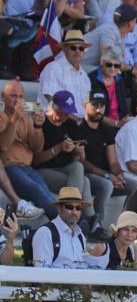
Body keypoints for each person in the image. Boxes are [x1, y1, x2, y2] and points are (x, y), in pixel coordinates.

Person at [34, 91, 108, 238]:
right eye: (63, 111)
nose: (66, 115)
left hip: (65, 169)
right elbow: (36, 160)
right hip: (43, 170)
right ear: (53, 106)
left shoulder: (71, 124)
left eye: (68, 112)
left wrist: (78, 153)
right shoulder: (43, 123)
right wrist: (58, 148)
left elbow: (75, 160)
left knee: (80, 171)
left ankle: (80, 220)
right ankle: (86, 222)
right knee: (84, 180)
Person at [0, 80, 53, 219]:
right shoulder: (1, 116)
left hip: (27, 167)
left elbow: (37, 148)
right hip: (10, 167)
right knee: (36, 190)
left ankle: (64, 224)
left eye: (21, 96)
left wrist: (38, 127)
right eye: (13, 96)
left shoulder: (26, 117)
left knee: (47, 194)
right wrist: (14, 119)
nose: (17, 100)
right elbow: (4, 146)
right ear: (2, 97)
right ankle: (65, 224)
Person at [79, 90, 125, 236]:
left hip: (106, 175)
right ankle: (97, 227)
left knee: (135, 185)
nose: (99, 110)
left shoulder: (107, 129)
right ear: (85, 105)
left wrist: (119, 175)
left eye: (102, 106)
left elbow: (113, 162)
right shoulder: (78, 128)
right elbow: (82, 162)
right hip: (87, 174)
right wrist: (107, 176)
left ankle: (126, 227)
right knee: (106, 185)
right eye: (95, 105)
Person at [95, 0, 137, 90]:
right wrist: (132, 70)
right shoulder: (108, 20)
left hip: (128, 70)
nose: (136, 2)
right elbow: (106, 58)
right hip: (109, 69)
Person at [38, 30, 92, 117]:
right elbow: (52, 101)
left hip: (80, 120)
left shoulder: (85, 77)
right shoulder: (53, 69)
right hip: (56, 119)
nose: (77, 51)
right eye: (73, 48)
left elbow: (87, 104)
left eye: (81, 48)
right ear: (64, 49)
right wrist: (75, 119)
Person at [82, 3, 137, 75]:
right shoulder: (109, 31)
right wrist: (131, 69)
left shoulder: (119, 34)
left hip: (87, 69)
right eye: (135, 21)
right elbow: (108, 62)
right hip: (78, 69)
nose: (136, 23)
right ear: (130, 23)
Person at [88, 45, 135, 127]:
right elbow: (93, 111)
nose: (113, 69)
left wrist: (126, 118)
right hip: (100, 124)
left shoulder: (119, 80)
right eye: (109, 65)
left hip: (119, 122)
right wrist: (115, 123)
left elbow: (124, 106)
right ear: (102, 63)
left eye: (116, 66)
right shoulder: (92, 79)